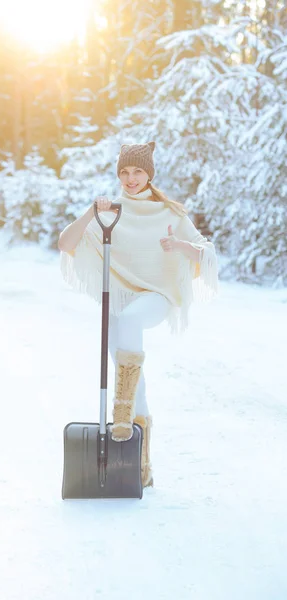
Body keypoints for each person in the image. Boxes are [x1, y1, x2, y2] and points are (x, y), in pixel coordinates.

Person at [57, 142, 219, 488]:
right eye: (125, 172)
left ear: (149, 174)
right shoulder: (110, 213)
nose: (131, 179)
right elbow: (66, 244)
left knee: (130, 322)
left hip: (157, 296)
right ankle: (141, 466)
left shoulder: (169, 212)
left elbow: (206, 250)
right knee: (126, 357)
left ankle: (121, 413)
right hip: (120, 300)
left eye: (138, 172)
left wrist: (179, 247)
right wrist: (90, 212)